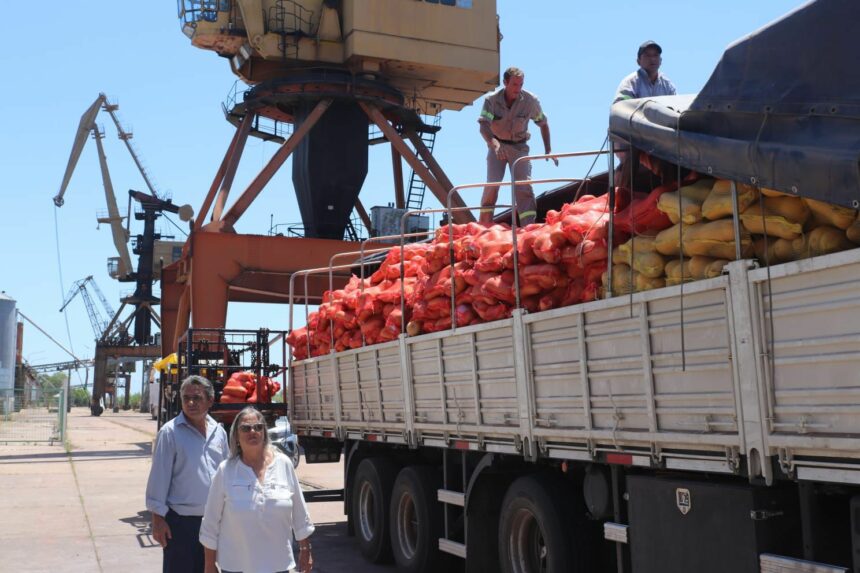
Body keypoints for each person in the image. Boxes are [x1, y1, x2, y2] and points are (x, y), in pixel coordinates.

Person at [200, 406, 315, 573]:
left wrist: (306, 550)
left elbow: (300, 514)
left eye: (258, 427)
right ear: (236, 436)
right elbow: (210, 524)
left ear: (264, 433)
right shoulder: (226, 471)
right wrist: (210, 565)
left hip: (278, 566)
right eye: (245, 428)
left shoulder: (284, 464)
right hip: (236, 567)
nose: (252, 431)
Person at [146, 375, 229, 573]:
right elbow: (159, 478)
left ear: (210, 400)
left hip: (215, 523)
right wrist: (157, 520)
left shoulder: (219, 433)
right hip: (181, 525)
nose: (191, 403)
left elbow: (227, 475)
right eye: (186, 398)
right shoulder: (170, 432)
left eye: (197, 398)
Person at [478, 66, 556, 227]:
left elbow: (543, 124)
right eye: (514, 84)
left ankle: (528, 227)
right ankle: (483, 226)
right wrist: (495, 144)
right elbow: (483, 126)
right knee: (492, 184)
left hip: (520, 148)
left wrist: (548, 149)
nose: (518, 88)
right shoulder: (491, 100)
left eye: (520, 84)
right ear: (505, 83)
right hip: (497, 145)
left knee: (523, 186)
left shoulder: (530, 101)